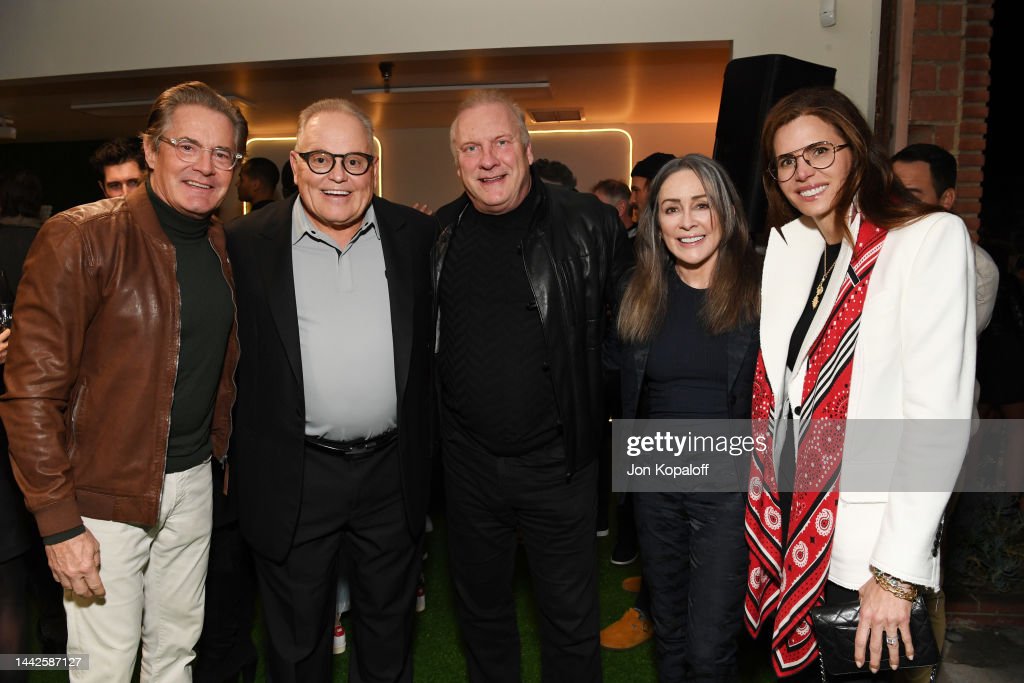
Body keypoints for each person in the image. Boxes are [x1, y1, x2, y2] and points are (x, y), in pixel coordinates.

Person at [0, 81, 247, 682]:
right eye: (188, 146)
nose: (205, 165)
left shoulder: (217, 241)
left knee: (176, 654)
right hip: (103, 497)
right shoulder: (80, 236)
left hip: (192, 484)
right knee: (104, 668)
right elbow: (31, 394)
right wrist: (59, 522)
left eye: (222, 153)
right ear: (151, 149)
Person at [745, 87, 975, 680]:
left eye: (820, 151)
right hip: (793, 524)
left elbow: (937, 420)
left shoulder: (926, 239)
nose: (803, 171)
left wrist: (896, 573)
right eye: (787, 160)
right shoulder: (792, 248)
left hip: (867, 549)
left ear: (857, 148)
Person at [227, 98, 436, 683]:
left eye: (354, 161)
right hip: (295, 475)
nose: (338, 176)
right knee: (296, 646)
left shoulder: (416, 235)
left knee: (389, 636)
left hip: (391, 474)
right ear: (296, 165)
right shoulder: (244, 242)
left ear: (374, 167)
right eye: (321, 159)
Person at [435, 90, 629, 683]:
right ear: (457, 161)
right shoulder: (438, 233)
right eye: (472, 148)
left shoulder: (590, 223)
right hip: (467, 466)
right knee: (482, 615)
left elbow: (628, 334)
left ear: (526, 148)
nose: (488, 159)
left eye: (500, 142)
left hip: (558, 465)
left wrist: (592, 406)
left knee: (569, 620)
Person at [615, 154, 760, 680]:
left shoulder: (764, 289)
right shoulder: (638, 291)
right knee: (670, 634)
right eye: (671, 208)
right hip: (655, 480)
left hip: (729, 488)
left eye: (701, 205)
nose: (687, 221)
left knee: (709, 649)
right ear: (655, 222)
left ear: (726, 210)